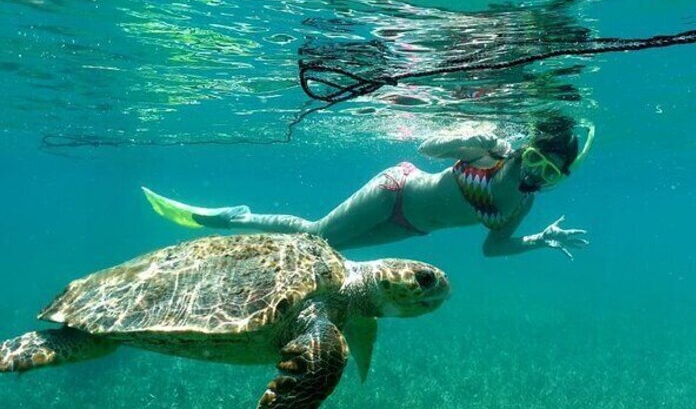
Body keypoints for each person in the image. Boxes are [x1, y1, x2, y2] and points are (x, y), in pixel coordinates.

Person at [143, 116, 595, 258]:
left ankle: (238, 223)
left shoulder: (522, 207)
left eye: (550, 174)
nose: (534, 175)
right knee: (315, 236)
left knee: (323, 249)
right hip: (394, 191)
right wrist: (471, 138)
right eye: (535, 160)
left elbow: (491, 250)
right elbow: (426, 146)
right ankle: (227, 218)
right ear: (526, 148)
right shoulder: (490, 154)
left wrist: (538, 240)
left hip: (409, 228)